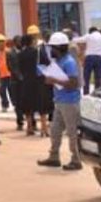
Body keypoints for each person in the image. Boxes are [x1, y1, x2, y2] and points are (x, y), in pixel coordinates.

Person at [37, 32, 83, 171]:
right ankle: (54, 157)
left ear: (59, 48)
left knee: (72, 132)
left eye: (53, 47)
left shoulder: (69, 62)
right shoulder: (58, 61)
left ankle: (76, 160)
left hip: (70, 102)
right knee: (55, 130)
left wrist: (53, 80)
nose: (51, 50)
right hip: (60, 101)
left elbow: (74, 83)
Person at [17, 31, 47, 137]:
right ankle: (44, 128)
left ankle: (29, 128)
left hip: (26, 81)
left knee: (28, 105)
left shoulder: (20, 54)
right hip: (38, 81)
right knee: (41, 105)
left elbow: (20, 68)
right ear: (31, 41)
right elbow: (45, 63)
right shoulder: (37, 52)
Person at [73, 27, 101, 94]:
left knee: (86, 77)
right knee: (98, 78)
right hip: (99, 58)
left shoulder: (88, 36)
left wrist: (71, 38)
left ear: (90, 31)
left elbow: (77, 40)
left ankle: (86, 93)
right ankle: (97, 93)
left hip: (89, 57)